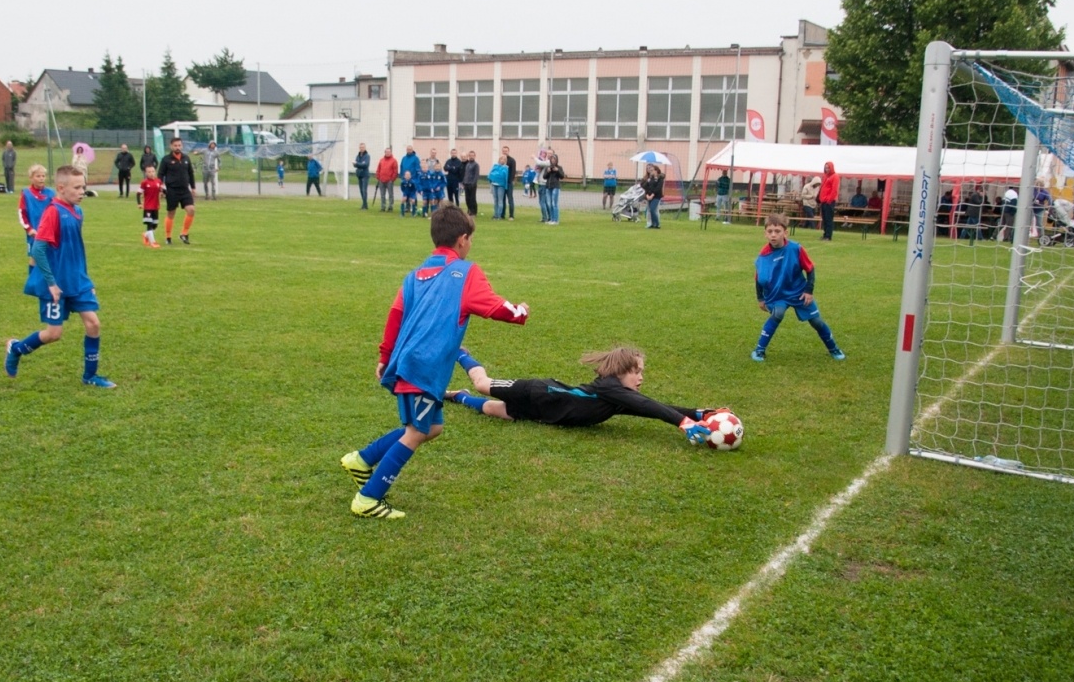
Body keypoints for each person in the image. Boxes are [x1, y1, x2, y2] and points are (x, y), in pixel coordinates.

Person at [339, 207, 529, 519]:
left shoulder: (415, 274)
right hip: (424, 368)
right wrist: (520, 311)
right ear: (463, 239)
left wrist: (385, 357)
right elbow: (496, 307)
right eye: (471, 240)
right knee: (416, 432)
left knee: (431, 427)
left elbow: (395, 315)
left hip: (408, 363)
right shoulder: (465, 272)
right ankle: (368, 498)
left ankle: (361, 460)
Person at [448, 346, 722, 444]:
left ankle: (458, 396)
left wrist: (697, 413)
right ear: (621, 371)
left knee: (494, 410)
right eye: (636, 372)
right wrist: (683, 423)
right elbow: (646, 404)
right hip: (537, 392)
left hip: (544, 412)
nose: (641, 378)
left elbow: (650, 407)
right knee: (482, 384)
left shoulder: (616, 399)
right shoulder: (609, 388)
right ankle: (460, 353)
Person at [5, 164, 115, 387]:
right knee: (54, 334)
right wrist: (52, 283)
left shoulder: (78, 212)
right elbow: (38, 250)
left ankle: (90, 376)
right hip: (55, 285)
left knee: (93, 324)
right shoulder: (53, 212)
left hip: (77, 281)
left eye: (83, 187)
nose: (82, 192)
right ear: (61, 188)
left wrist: (86, 280)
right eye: (77, 187)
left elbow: (76, 250)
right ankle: (16, 349)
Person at [752, 213, 844, 362]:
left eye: (777, 231)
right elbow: (759, 279)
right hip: (778, 294)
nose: (773, 235)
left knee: (816, 321)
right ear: (765, 234)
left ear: (785, 233)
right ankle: (759, 350)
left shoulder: (796, 249)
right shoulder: (763, 255)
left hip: (799, 292)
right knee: (777, 314)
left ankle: (833, 348)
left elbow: (810, 269)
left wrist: (809, 291)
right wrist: (760, 298)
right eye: (770, 231)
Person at [157, 136, 197, 245]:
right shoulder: (166, 159)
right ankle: (168, 237)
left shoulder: (186, 158)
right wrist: (160, 188)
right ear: (171, 146)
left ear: (182, 146)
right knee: (171, 213)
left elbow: (190, 173)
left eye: (179, 145)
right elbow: (160, 174)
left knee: (191, 210)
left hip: (185, 190)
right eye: (175, 145)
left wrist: (193, 187)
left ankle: (184, 233)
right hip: (172, 190)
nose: (177, 147)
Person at [17, 163, 55, 259]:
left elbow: (57, 212)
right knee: (34, 259)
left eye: (43, 176)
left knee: (51, 259)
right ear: (31, 178)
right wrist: (29, 229)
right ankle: (33, 270)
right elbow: (22, 213)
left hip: (50, 233)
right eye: (38, 176)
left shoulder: (51, 193)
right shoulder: (26, 193)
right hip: (34, 233)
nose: (41, 178)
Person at [139, 165, 163, 247]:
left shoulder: (158, 181)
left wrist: (164, 192)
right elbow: (138, 193)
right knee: (149, 224)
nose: (151, 173)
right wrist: (139, 203)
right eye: (149, 172)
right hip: (148, 207)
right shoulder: (144, 182)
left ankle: (145, 235)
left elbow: (163, 190)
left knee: (155, 225)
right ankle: (153, 242)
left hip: (156, 206)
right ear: (146, 173)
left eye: (153, 171)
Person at [816, 161, 840, 241]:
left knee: (829, 219)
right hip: (823, 201)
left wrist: (829, 200)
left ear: (831, 168)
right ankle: (825, 234)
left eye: (828, 168)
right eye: (826, 168)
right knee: (825, 219)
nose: (827, 169)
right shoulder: (825, 176)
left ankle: (828, 236)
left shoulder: (835, 176)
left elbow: (834, 190)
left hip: (829, 201)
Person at [541, 153, 564, 224]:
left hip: (555, 187)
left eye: (554, 159)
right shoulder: (548, 167)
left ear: (556, 160)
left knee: (554, 203)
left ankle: (555, 220)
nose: (553, 160)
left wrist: (557, 170)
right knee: (549, 203)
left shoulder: (559, 167)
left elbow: (562, 176)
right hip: (548, 187)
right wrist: (548, 172)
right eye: (552, 159)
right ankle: (551, 219)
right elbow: (544, 177)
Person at [375, 146, 398, 212]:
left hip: (389, 180)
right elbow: (378, 169)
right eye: (386, 152)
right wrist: (378, 176)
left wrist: (392, 179)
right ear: (384, 152)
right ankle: (383, 207)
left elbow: (395, 171)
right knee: (382, 195)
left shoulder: (394, 161)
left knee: (390, 194)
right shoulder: (381, 160)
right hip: (381, 180)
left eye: (389, 152)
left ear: (391, 152)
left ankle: (390, 207)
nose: (388, 153)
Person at [642, 164, 665, 229]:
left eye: (652, 170)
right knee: (650, 210)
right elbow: (646, 187)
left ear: (656, 171)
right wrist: (647, 195)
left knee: (653, 209)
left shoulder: (660, 178)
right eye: (650, 170)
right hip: (649, 196)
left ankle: (657, 223)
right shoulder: (650, 178)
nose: (651, 171)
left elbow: (658, 188)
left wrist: (652, 195)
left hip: (656, 196)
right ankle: (652, 224)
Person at [500, 145, 519, 219]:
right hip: (502, 183)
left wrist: (510, 181)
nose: (505, 152)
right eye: (503, 151)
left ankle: (511, 215)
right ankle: (502, 215)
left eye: (506, 151)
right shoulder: (500, 160)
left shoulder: (512, 160)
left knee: (510, 199)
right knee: (502, 199)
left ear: (508, 151)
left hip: (508, 183)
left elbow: (513, 172)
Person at [462, 149, 481, 216]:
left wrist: (473, 183)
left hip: (472, 184)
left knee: (472, 198)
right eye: (470, 155)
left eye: (472, 155)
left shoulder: (476, 165)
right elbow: (466, 174)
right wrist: (464, 182)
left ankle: (474, 211)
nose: (471, 157)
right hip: (466, 183)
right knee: (467, 198)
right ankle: (469, 210)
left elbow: (476, 175)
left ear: (475, 156)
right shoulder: (467, 164)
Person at [353, 142, 371, 209]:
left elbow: (365, 165)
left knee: (364, 190)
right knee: (361, 190)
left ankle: (365, 205)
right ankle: (364, 204)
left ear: (365, 148)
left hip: (365, 175)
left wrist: (358, 164)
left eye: (363, 147)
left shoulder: (367, 156)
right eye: (360, 147)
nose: (361, 148)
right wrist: (358, 164)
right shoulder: (358, 156)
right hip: (359, 175)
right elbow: (355, 165)